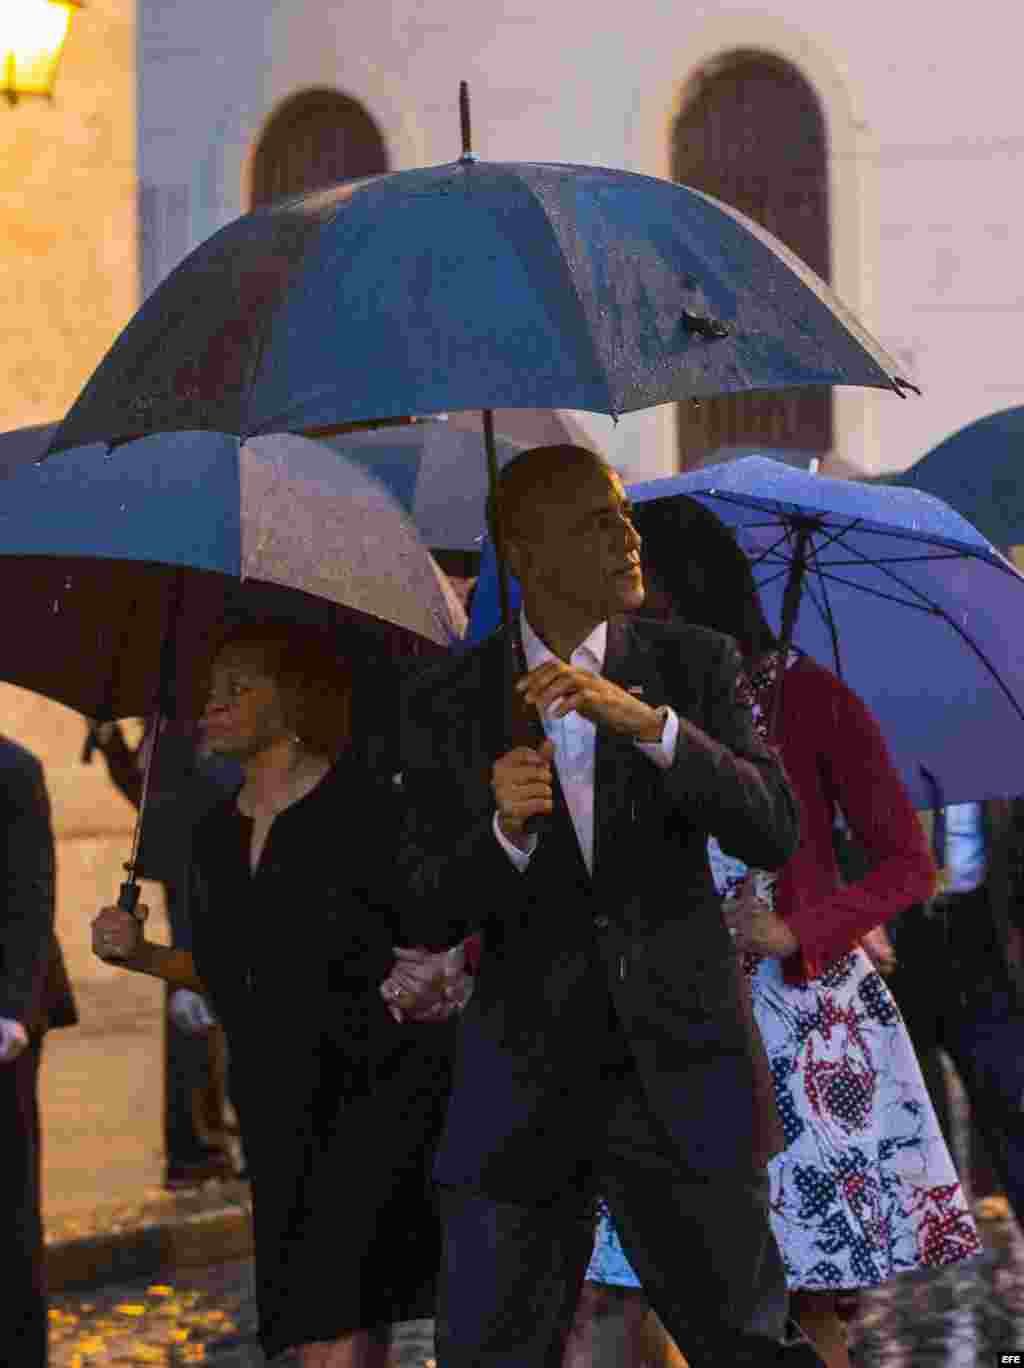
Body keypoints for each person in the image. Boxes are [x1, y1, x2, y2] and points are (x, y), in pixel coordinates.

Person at [395, 443, 823, 1368]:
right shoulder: (449, 700)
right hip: (522, 1088)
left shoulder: (694, 664)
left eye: (625, 516)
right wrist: (502, 834)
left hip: (683, 1072)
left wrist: (653, 729)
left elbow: (774, 829)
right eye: (598, 522)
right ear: (525, 551)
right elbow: (420, 908)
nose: (629, 538)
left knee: (745, 1346)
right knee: (488, 1352)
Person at [577, 496, 981, 1368]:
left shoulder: (812, 696)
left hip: (799, 1028)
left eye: (641, 584)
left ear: (680, 587)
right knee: (653, 1282)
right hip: (659, 1009)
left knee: (800, 1289)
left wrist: (798, 929)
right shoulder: (621, 704)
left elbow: (907, 864)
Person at [92, 622, 456, 1367]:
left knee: (340, 1332)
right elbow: (230, 973)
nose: (213, 704)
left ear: (289, 702)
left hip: (372, 1106)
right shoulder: (211, 837)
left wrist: (432, 975)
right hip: (274, 1114)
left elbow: (429, 943)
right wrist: (143, 955)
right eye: (211, 689)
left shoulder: (369, 811)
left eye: (238, 688)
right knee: (303, 1335)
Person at [88, 716, 241, 1186]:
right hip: (196, 868)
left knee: (202, 1001)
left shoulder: (178, 724)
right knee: (195, 999)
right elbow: (156, 799)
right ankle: (196, 1143)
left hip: (206, 864)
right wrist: (114, 745)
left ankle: (204, 1138)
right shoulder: (176, 726)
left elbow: (155, 795)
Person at [885, 796, 1024, 1224]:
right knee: (905, 1110)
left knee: (1009, 1098)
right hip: (894, 929)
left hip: (980, 931)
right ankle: (934, 1232)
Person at [0, 736, 77, 1368]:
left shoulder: (13, 769)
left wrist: (12, 1012)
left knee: (9, 1204)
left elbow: (29, 897)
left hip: (4, 1022)